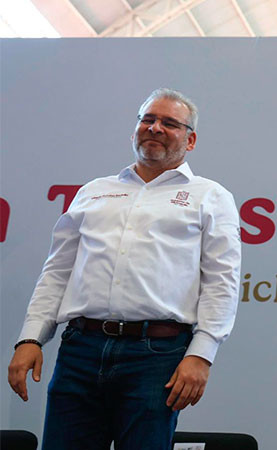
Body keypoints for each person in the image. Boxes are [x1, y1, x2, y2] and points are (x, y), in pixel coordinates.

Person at [7, 88, 242, 450]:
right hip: (80, 350)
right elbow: (57, 272)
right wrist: (30, 338)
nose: (155, 128)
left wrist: (201, 354)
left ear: (190, 140)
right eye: (148, 119)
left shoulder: (211, 196)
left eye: (169, 123)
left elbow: (221, 282)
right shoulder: (93, 191)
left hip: (156, 356)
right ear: (135, 129)